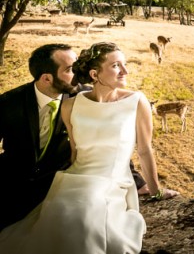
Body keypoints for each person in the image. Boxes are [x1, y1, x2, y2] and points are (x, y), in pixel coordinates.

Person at [0, 41, 178, 253]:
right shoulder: (10, 103)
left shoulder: (90, 96)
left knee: (82, 220)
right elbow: (78, 153)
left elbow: (121, 143)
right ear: (47, 78)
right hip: (21, 186)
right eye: (69, 69)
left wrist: (144, 184)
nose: (77, 72)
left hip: (85, 181)